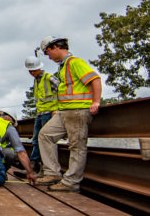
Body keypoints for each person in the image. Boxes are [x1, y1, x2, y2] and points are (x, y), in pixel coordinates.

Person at [34, 36, 102, 193]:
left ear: (55, 47)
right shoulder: (63, 67)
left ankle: (71, 182)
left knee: (76, 146)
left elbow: (95, 79)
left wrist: (96, 102)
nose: (48, 56)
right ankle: (52, 173)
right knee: (45, 135)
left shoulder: (75, 63)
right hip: (64, 111)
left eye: (48, 52)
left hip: (77, 110)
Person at [25, 56, 59, 172]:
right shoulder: (37, 80)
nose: (32, 72)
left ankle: (46, 168)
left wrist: (57, 110)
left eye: (34, 70)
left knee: (46, 140)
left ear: (39, 68)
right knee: (36, 140)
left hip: (50, 113)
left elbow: (62, 93)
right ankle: (34, 165)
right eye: (30, 71)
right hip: (40, 114)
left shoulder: (50, 78)